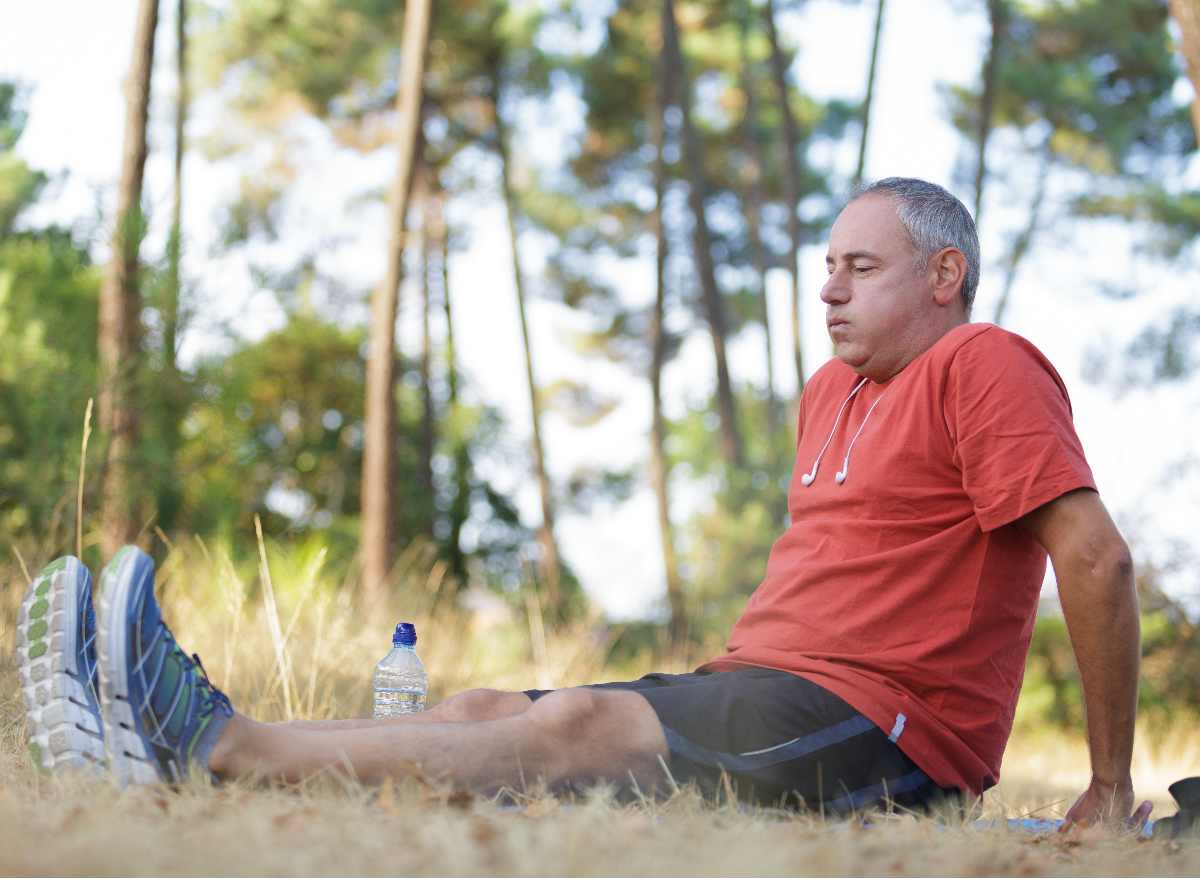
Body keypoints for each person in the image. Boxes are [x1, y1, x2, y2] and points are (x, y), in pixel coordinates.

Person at [15, 177, 1152, 824]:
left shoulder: (983, 363)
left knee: (572, 729)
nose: (828, 286)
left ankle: (212, 746)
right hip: (759, 693)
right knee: (474, 708)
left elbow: (1095, 562)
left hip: (890, 731)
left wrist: (1105, 786)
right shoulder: (830, 392)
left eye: (861, 266)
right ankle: (172, 740)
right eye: (826, 263)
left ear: (943, 276)